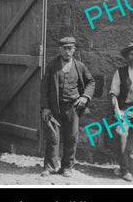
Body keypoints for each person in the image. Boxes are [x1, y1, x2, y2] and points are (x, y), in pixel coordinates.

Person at [40, 37, 95, 177]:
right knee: (53, 137)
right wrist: (46, 107)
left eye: (70, 48)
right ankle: (50, 166)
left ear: (74, 50)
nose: (67, 51)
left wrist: (84, 97)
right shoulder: (52, 66)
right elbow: (44, 88)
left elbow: (91, 82)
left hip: (73, 107)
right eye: (64, 48)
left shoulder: (80, 66)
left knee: (72, 137)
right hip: (55, 107)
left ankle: (67, 167)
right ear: (60, 49)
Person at [109, 43, 133, 182]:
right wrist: (117, 110)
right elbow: (113, 94)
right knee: (120, 134)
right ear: (127, 57)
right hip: (124, 110)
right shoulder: (120, 72)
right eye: (131, 54)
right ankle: (124, 170)